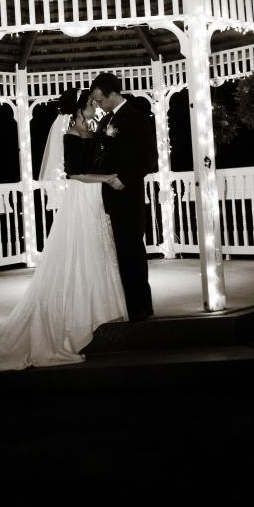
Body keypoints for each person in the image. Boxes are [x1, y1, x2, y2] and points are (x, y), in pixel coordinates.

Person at [0, 88, 127, 378]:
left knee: (95, 248)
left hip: (93, 197)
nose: (93, 107)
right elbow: (75, 174)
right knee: (80, 246)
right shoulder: (70, 135)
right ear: (78, 110)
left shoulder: (91, 129)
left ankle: (98, 302)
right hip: (81, 195)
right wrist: (109, 179)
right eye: (89, 104)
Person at [89, 72, 158, 321]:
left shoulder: (136, 117)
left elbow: (150, 158)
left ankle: (141, 305)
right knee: (120, 252)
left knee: (132, 251)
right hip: (110, 196)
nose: (99, 104)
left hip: (128, 196)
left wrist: (125, 179)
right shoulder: (108, 119)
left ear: (113, 94)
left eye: (101, 99)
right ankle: (126, 303)